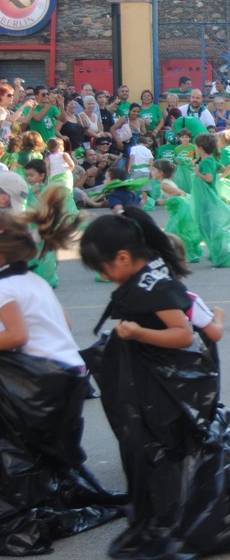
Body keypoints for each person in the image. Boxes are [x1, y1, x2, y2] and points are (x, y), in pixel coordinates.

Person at [78, 209, 230, 557]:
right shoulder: (145, 276)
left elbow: (183, 335)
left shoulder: (155, 287)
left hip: (170, 387)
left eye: (103, 268)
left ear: (123, 257)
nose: (103, 276)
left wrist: (138, 332)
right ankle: (166, 507)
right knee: (155, 449)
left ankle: (185, 513)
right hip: (154, 382)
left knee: (170, 448)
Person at [0, 187, 124, 556]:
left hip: (43, 384)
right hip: (70, 376)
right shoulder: (34, 281)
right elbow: (66, 323)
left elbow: (18, 335)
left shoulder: (4, 287)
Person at [192, 133, 230, 267]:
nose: (195, 148)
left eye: (196, 146)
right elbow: (221, 168)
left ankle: (220, 253)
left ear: (201, 148)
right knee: (211, 226)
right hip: (210, 197)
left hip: (206, 199)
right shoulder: (211, 160)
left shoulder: (206, 161)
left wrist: (197, 173)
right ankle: (218, 252)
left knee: (209, 227)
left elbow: (208, 178)